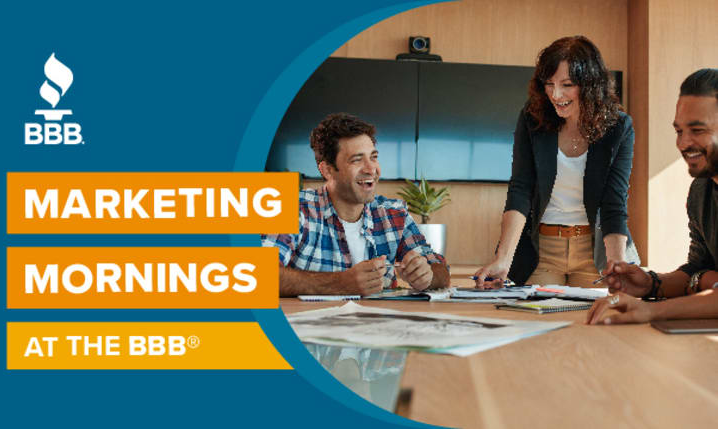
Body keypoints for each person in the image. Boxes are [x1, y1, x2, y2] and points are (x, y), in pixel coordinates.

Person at [474, 36, 638, 289]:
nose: (555, 94)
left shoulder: (618, 126)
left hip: (594, 250)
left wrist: (616, 264)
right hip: (542, 251)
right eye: (549, 84)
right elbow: (520, 189)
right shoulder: (533, 118)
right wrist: (503, 259)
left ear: (590, 84)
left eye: (567, 84)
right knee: (533, 319)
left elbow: (614, 203)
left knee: (601, 322)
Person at [262, 113, 450, 297]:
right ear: (327, 170)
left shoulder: (394, 214)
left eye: (373, 157)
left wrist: (429, 276)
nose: (371, 169)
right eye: (357, 160)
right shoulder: (293, 207)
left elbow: (441, 270)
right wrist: (340, 284)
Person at [587, 69, 718, 325]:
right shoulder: (700, 190)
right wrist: (649, 284)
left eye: (697, 130)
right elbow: (695, 269)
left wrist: (652, 311)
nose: (683, 143)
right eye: (679, 131)